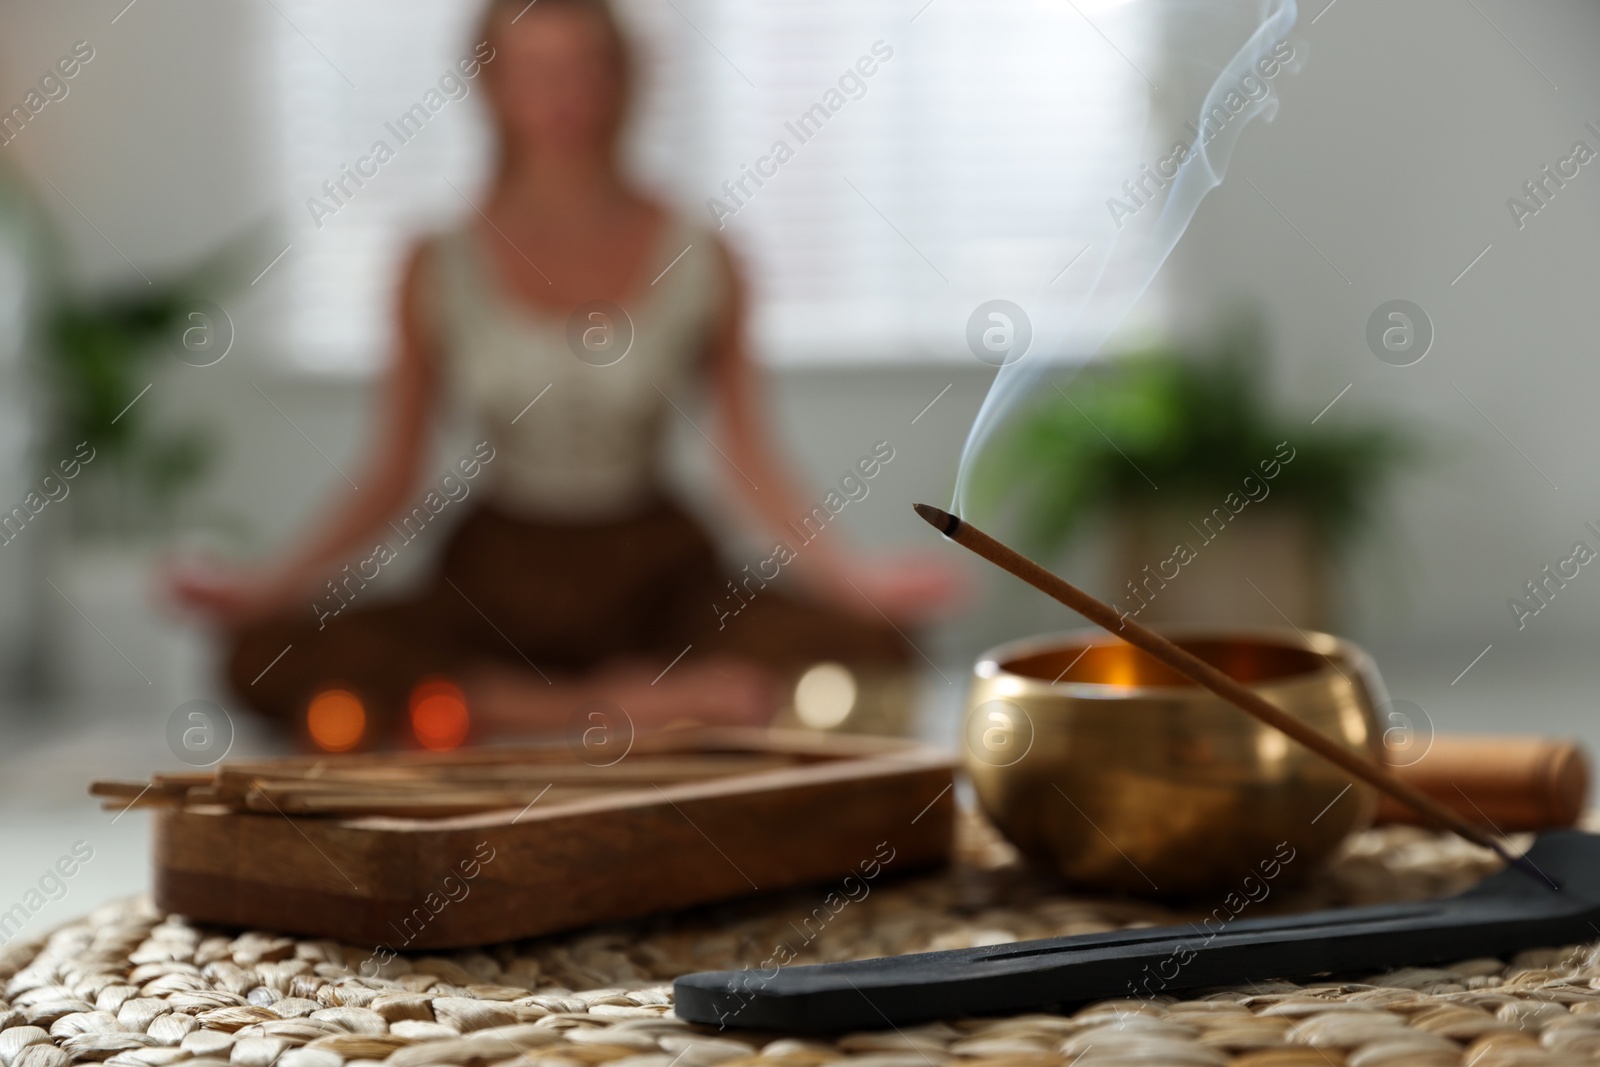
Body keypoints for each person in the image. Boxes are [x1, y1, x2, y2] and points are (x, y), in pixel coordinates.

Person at [170, 0, 957, 749]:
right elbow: (391, 472)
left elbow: (748, 461)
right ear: (492, 83)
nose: (564, 96)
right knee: (261, 657)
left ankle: (501, 705)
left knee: (879, 646)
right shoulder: (435, 261)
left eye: (587, 67)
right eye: (536, 70)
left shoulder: (704, 251)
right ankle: (611, 706)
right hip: (499, 571)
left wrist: (856, 580)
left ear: (625, 79)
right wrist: (270, 586)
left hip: (658, 566)